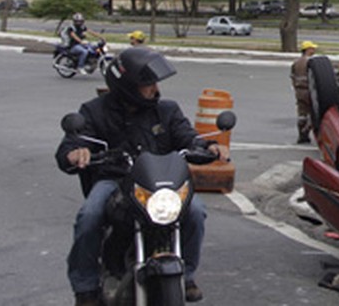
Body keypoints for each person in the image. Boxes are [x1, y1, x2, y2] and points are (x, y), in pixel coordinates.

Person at [55, 47, 229, 306]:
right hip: (114, 180)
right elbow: (71, 145)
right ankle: (85, 286)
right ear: (126, 86)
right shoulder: (94, 111)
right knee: (89, 216)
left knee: (195, 211)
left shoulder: (167, 110)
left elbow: (187, 136)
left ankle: (187, 275)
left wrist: (207, 147)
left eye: (154, 82)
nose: (154, 88)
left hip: (160, 184)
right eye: (147, 84)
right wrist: (75, 153)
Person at [290, 40, 317, 144]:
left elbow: (292, 77)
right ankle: (306, 130)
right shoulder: (311, 63)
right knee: (312, 112)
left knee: (302, 114)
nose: (314, 50)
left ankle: (302, 136)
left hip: (299, 91)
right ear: (308, 49)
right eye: (312, 48)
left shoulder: (296, 63)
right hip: (309, 90)